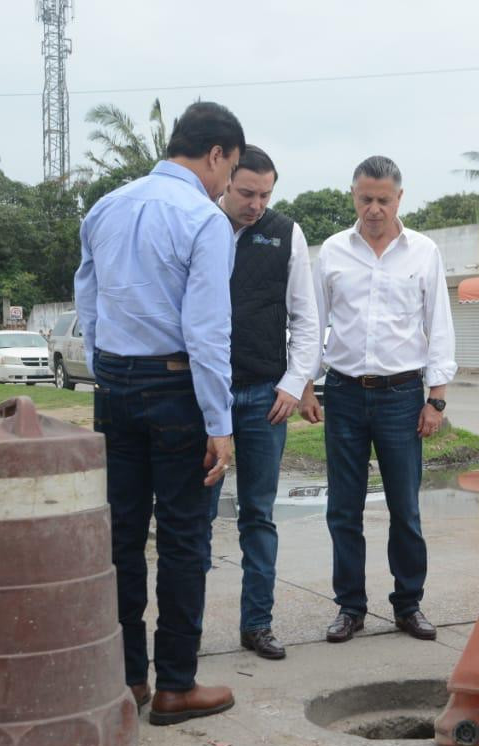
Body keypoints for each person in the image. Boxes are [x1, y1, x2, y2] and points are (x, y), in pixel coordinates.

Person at [74, 100, 244, 727]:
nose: (228, 185)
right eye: (230, 171)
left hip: (114, 387)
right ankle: (175, 685)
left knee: (120, 537)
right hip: (176, 392)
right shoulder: (204, 220)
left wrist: (108, 371)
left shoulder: (106, 207)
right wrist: (219, 424)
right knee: (181, 539)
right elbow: (206, 332)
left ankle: (126, 681)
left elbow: (86, 302)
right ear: (218, 154)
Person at [312, 155, 457, 644]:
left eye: (383, 200)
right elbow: (313, 324)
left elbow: (439, 325)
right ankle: (350, 607)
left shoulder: (423, 253)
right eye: (365, 198)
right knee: (343, 509)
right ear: (353, 195)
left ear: (400, 198)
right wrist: (308, 385)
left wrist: (435, 399)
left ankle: (408, 605)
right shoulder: (332, 252)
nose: (374, 209)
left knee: (405, 509)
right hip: (345, 393)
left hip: (400, 395)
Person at [209, 145, 320, 661]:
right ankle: (181, 632)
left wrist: (294, 382)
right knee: (194, 515)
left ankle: (257, 624)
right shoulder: (199, 223)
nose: (256, 204)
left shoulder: (286, 233)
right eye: (246, 192)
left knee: (259, 515)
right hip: (204, 399)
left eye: (265, 194)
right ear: (226, 181)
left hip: (263, 399)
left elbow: (305, 317)